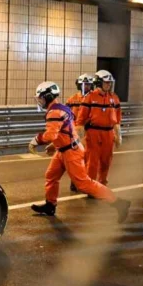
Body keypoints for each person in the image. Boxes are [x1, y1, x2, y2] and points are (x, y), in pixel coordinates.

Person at [29, 82, 131, 222]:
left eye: (40, 97)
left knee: (84, 184)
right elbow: (66, 131)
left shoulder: (54, 112)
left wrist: (37, 139)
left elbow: (51, 134)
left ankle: (119, 203)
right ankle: (50, 205)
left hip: (70, 151)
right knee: (51, 175)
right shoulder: (61, 108)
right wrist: (55, 145)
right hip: (65, 149)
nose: (39, 100)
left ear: (47, 96)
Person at [77, 70, 122, 185]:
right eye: (106, 82)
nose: (109, 85)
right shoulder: (90, 97)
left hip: (109, 133)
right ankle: (91, 186)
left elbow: (117, 120)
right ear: (99, 82)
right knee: (92, 161)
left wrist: (118, 136)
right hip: (93, 133)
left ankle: (102, 183)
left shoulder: (114, 98)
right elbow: (80, 121)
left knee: (106, 160)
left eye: (110, 82)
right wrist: (80, 139)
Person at [67, 74, 95, 192]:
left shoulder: (94, 99)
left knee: (88, 159)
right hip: (75, 132)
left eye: (88, 85)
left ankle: (85, 182)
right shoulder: (72, 99)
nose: (86, 87)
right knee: (76, 159)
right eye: (84, 85)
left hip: (89, 132)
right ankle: (74, 182)